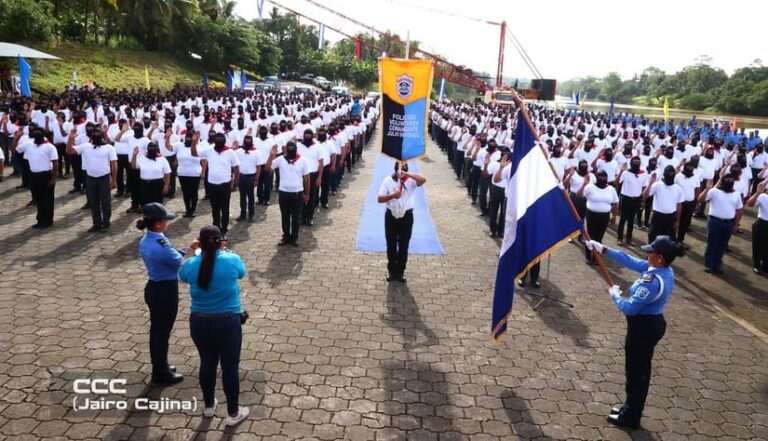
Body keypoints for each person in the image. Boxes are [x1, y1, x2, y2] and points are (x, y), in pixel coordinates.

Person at [586, 235, 684, 429]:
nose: (647, 254)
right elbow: (631, 261)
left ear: (660, 257)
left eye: (651, 252)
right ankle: (629, 407)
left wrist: (615, 296)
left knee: (637, 373)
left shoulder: (653, 281)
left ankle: (631, 417)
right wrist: (603, 249)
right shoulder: (662, 270)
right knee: (637, 371)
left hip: (643, 329)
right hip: (647, 325)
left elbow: (630, 308)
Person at [178, 226, 249, 426]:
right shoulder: (231, 259)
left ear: (200, 242)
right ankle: (233, 413)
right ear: (221, 242)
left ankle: (209, 406)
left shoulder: (191, 263)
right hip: (227, 321)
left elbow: (182, 273)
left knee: (207, 363)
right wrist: (225, 250)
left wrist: (192, 249)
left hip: (199, 321)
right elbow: (241, 273)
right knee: (230, 367)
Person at [137, 203, 185, 385]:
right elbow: (179, 262)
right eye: (165, 220)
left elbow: (171, 257)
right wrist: (193, 250)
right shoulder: (160, 243)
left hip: (155, 288)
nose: (167, 223)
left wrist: (185, 250)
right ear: (158, 223)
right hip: (164, 290)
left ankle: (161, 364)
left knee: (159, 331)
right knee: (161, 332)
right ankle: (159, 372)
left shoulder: (148, 239)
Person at [377, 162, 427, 282]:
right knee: (391, 244)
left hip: (406, 216)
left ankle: (400, 272)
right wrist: (393, 195)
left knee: (404, 245)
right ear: (395, 169)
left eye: (404, 166)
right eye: (400, 167)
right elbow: (379, 198)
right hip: (391, 216)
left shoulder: (411, 181)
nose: (402, 169)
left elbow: (423, 179)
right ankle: (392, 271)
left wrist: (407, 174)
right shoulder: (388, 180)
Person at [66, 128, 118, 232]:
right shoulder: (86, 147)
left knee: (105, 202)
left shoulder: (109, 148)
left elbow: (114, 165)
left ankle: (106, 223)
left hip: (104, 177)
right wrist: (70, 139)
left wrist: (113, 180)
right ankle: (96, 223)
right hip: (90, 178)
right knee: (94, 202)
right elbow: (69, 151)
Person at [13, 127, 58, 228]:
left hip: (46, 175)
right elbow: (14, 149)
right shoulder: (30, 145)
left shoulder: (50, 147)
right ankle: (40, 220)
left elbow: (55, 163)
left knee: (47, 199)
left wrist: (53, 178)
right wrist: (16, 138)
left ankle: (48, 221)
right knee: (38, 199)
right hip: (34, 175)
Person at [267, 141, 310, 246]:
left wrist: (306, 194)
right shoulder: (281, 159)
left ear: (296, 149)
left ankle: (294, 238)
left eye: (293, 148)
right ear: (285, 149)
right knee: (285, 216)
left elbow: (307, 179)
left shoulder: (302, 161)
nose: (290, 150)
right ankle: (286, 236)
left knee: (296, 217)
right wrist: (271, 156)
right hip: (284, 192)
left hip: (297, 192)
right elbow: (268, 169)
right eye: (288, 148)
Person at [699, 174, 744, 274]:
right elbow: (700, 200)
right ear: (723, 181)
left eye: (731, 179)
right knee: (712, 243)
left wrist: (736, 224)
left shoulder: (736, 194)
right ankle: (709, 265)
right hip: (715, 221)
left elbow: (739, 210)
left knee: (722, 245)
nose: (729, 181)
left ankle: (717, 264)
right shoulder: (714, 191)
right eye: (727, 179)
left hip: (728, 223)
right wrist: (707, 189)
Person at [201, 133, 240, 235]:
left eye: (221, 138)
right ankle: (216, 226)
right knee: (214, 207)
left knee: (225, 207)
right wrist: (193, 142)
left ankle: (224, 227)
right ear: (214, 140)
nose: (219, 140)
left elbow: (236, 168)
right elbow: (195, 153)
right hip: (212, 184)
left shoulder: (230, 152)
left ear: (224, 140)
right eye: (217, 139)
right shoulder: (209, 150)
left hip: (225, 184)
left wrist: (235, 184)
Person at [578, 170, 618, 265]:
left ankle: (596, 257)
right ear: (596, 178)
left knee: (599, 237)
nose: (602, 179)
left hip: (604, 216)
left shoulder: (611, 189)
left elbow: (615, 203)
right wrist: (584, 184)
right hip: (592, 215)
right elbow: (579, 194)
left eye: (604, 177)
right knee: (590, 236)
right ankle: (588, 256)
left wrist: (614, 216)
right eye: (600, 177)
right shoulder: (590, 187)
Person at [642, 165, 683, 242]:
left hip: (671, 217)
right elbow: (645, 195)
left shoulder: (678, 188)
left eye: (672, 173)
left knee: (669, 239)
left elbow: (679, 205)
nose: (670, 175)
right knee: (653, 236)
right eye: (668, 173)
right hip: (657, 216)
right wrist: (650, 183)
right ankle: (651, 253)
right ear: (664, 174)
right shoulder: (657, 185)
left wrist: (677, 221)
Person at [616, 157, 648, 246]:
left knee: (631, 220)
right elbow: (617, 183)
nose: (636, 163)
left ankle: (629, 239)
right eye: (634, 162)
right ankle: (619, 238)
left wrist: (643, 201)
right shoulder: (626, 173)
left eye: (638, 162)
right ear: (631, 163)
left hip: (636, 200)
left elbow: (643, 188)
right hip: (626, 198)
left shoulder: (643, 174)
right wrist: (621, 171)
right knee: (623, 219)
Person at [132, 141, 171, 206]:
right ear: (147, 149)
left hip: (157, 184)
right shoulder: (142, 158)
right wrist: (134, 155)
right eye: (150, 147)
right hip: (144, 184)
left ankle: (156, 216)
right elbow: (134, 167)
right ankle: (146, 216)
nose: (152, 149)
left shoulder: (162, 159)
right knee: (145, 203)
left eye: (154, 147)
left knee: (157, 204)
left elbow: (167, 174)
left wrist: (166, 186)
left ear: (157, 149)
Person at [235, 135, 263, 222]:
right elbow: (235, 165)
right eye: (246, 140)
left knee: (251, 197)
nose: (247, 142)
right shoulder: (239, 151)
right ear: (243, 141)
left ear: (251, 141)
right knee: (242, 196)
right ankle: (243, 213)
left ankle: (251, 215)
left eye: (249, 140)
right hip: (241, 177)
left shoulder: (256, 152)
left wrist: (256, 179)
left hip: (251, 177)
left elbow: (259, 166)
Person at [746, 178, 768, 273]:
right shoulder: (763, 196)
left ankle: (766, 265)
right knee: (758, 245)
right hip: (762, 223)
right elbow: (750, 203)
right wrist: (757, 193)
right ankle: (757, 264)